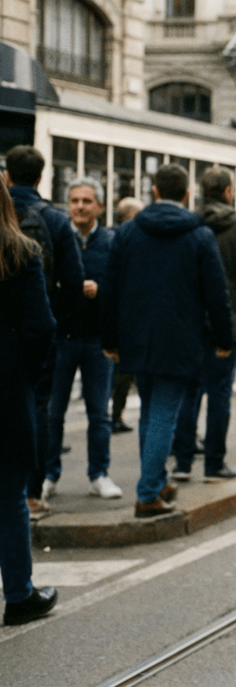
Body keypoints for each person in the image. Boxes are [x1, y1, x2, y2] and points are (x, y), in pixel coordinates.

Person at [101, 164, 234, 517]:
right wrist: (224, 338)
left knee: (150, 411)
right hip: (180, 340)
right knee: (162, 415)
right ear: (186, 195)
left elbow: (110, 289)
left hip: (137, 338)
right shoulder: (200, 236)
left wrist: (110, 339)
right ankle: (147, 494)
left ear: (155, 191)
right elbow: (216, 294)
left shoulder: (127, 232)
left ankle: (157, 481)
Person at [5, 145, 85, 521]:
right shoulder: (54, 220)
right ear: (41, 177)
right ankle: (31, 493)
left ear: (7, 175)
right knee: (37, 408)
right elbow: (72, 281)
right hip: (37, 332)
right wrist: (55, 320)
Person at [170, 167, 236, 482]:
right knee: (220, 394)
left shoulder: (188, 225)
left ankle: (183, 462)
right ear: (227, 191)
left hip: (189, 323)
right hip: (226, 320)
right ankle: (214, 464)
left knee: (188, 393)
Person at [0, 182, 58, 625]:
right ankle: (19, 595)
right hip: (5, 391)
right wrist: (26, 377)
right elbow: (41, 329)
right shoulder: (21, 252)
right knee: (10, 497)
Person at [44, 178, 123, 502]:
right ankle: (48, 474)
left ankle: (99, 474)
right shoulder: (59, 237)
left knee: (99, 414)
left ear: (100, 207)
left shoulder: (112, 241)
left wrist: (100, 290)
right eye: (74, 200)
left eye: (86, 201)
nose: (79, 206)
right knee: (53, 412)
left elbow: (120, 286)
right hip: (62, 336)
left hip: (96, 340)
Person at [109, 197, 143, 435]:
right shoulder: (128, 238)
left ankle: (115, 414)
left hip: (120, 316)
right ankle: (115, 415)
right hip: (128, 317)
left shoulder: (112, 236)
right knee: (125, 373)